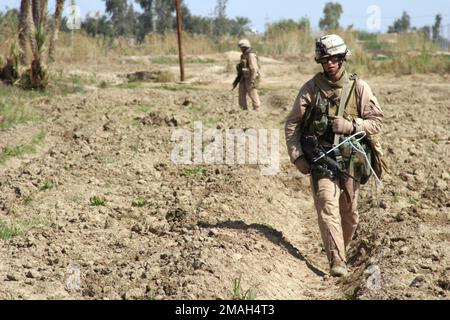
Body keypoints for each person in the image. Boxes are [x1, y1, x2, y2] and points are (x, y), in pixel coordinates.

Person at [284, 34, 384, 277]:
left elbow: (376, 122)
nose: (329, 63)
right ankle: (337, 260)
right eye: (325, 59)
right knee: (327, 205)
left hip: (352, 159)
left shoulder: (359, 87)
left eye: (334, 59)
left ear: (342, 59)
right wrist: (298, 156)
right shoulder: (310, 89)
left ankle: (341, 247)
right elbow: (292, 124)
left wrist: (351, 126)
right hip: (321, 158)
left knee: (349, 213)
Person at [235, 39, 261, 111]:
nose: (241, 48)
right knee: (241, 93)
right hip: (244, 77)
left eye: (242, 47)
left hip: (251, 77)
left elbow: (254, 68)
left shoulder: (251, 55)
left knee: (252, 93)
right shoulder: (243, 55)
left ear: (245, 47)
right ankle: (243, 110)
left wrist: (252, 80)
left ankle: (257, 110)